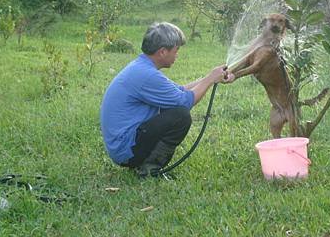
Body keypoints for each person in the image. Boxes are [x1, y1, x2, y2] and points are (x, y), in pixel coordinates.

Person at [100, 22, 234, 177]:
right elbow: (186, 102)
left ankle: (146, 163)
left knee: (173, 107)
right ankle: (149, 169)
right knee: (180, 116)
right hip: (126, 152)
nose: (177, 55)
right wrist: (210, 79)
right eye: (176, 50)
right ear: (163, 51)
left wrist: (212, 77)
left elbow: (180, 90)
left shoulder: (141, 67)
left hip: (123, 146)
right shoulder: (147, 75)